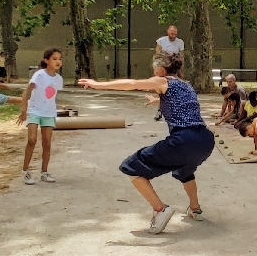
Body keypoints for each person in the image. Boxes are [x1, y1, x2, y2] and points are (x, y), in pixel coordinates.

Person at [77, 51, 214, 234]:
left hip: (183, 140)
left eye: (154, 69)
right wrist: (157, 100)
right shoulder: (186, 85)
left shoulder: (162, 81)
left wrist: (98, 84)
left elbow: (133, 84)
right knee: (185, 170)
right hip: (205, 140)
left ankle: (160, 209)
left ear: (160, 69)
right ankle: (195, 209)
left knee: (131, 166)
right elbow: (182, 103)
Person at [18, 48, 64, 185]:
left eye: (60, 59)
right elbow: (27, 92)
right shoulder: (39, 75)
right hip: (34, 111)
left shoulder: (59, 79)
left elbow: (52, 96)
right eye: (54, 58)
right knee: (32, 140)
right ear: (46, 60)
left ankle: (44, 172)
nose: (58, 61)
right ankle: (25, 171)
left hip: (48, 113)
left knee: (47, 143)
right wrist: (23, 110)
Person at [153, 25, 185, 121]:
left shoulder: (180, 42)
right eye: (172, 34)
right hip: (164, 66)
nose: (173, 36)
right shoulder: (161, 41)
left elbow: (181, 56)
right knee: (162, 89)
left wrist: (181, 70)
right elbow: (158, 54)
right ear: (168, 32)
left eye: (175, 34)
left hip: (174, 66)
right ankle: (160, 110)